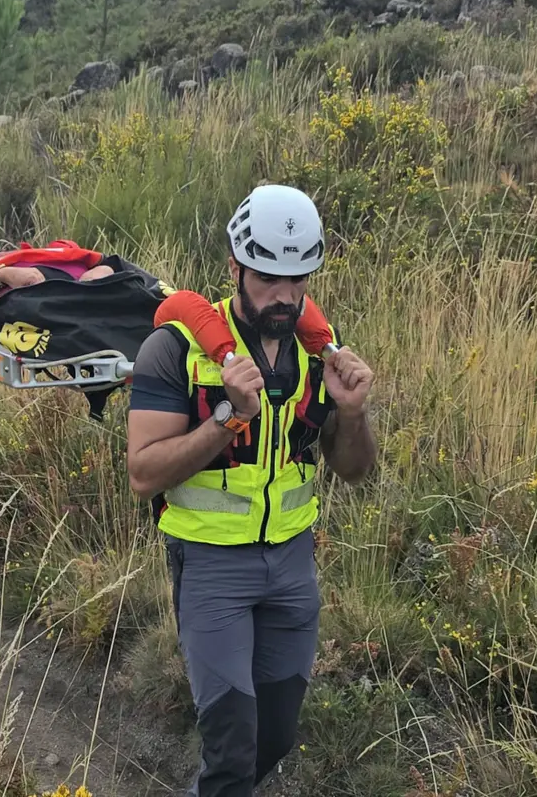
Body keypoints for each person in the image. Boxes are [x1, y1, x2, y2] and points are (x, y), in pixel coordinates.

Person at [125, 184, 378, 796]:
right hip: (211, 568)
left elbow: (355, 471)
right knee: (233, 749)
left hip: (292, 565)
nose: (284, 296)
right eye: (268, 277)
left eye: (299, 280)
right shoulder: (175, 350)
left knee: (275, 739)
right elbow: (143, 474)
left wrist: (352, 413)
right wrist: (228, 417)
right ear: (236, 266)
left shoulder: (321, 353)